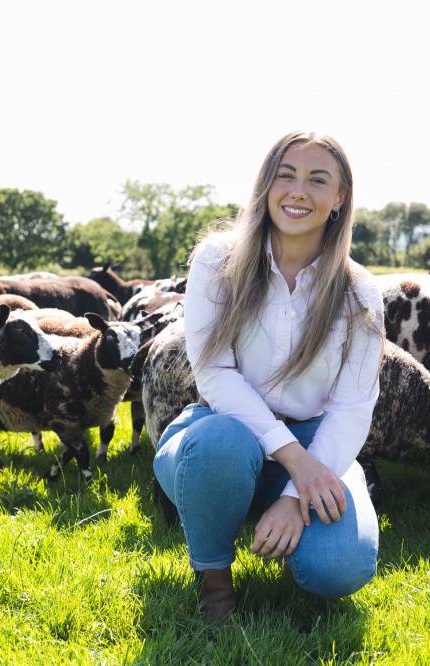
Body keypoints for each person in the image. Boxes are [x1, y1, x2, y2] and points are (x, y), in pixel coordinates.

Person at [153, 131, 384, 626]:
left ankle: (300, 515)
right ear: (266, 184)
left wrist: (294, 495)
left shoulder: (359, 292)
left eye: (318, 180)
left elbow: (352, 406)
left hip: (317, 443)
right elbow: (213, 370)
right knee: (221, 445)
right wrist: (294, 461)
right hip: (221, 431)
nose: (298, 191)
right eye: (287, 175)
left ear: (339, 199)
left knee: (340, 569)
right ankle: (214, 582)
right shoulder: (219, 260)